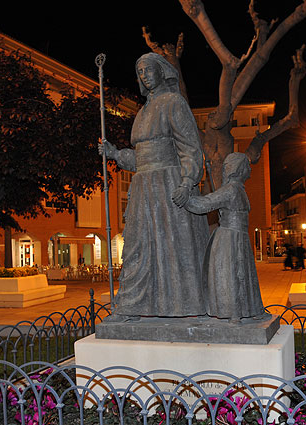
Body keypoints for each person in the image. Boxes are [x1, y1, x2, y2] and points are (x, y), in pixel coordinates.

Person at [99, 52, 209, 321]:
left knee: (173, 246)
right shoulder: (142, 112)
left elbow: (190, 148)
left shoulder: (173, 102)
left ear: (161, 71)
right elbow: (141, 158)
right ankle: (134, 304)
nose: (144, 75)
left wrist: (187, 181)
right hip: (143, 187)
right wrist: (115, 154)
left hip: (168, 184)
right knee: (138, 245)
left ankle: (181, 305)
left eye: (148, 69)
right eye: (140, 71)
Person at [183, 153, 265, 322]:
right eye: (247, 166)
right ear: (239, 169)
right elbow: (205, 204)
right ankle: (234, 312)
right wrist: (186, 199)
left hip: (238, 237)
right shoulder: (232, 189)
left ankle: (249, 310)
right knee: (231, 274)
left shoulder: (237, 189)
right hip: (229, 238)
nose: (250, 170)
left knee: (242, 274)